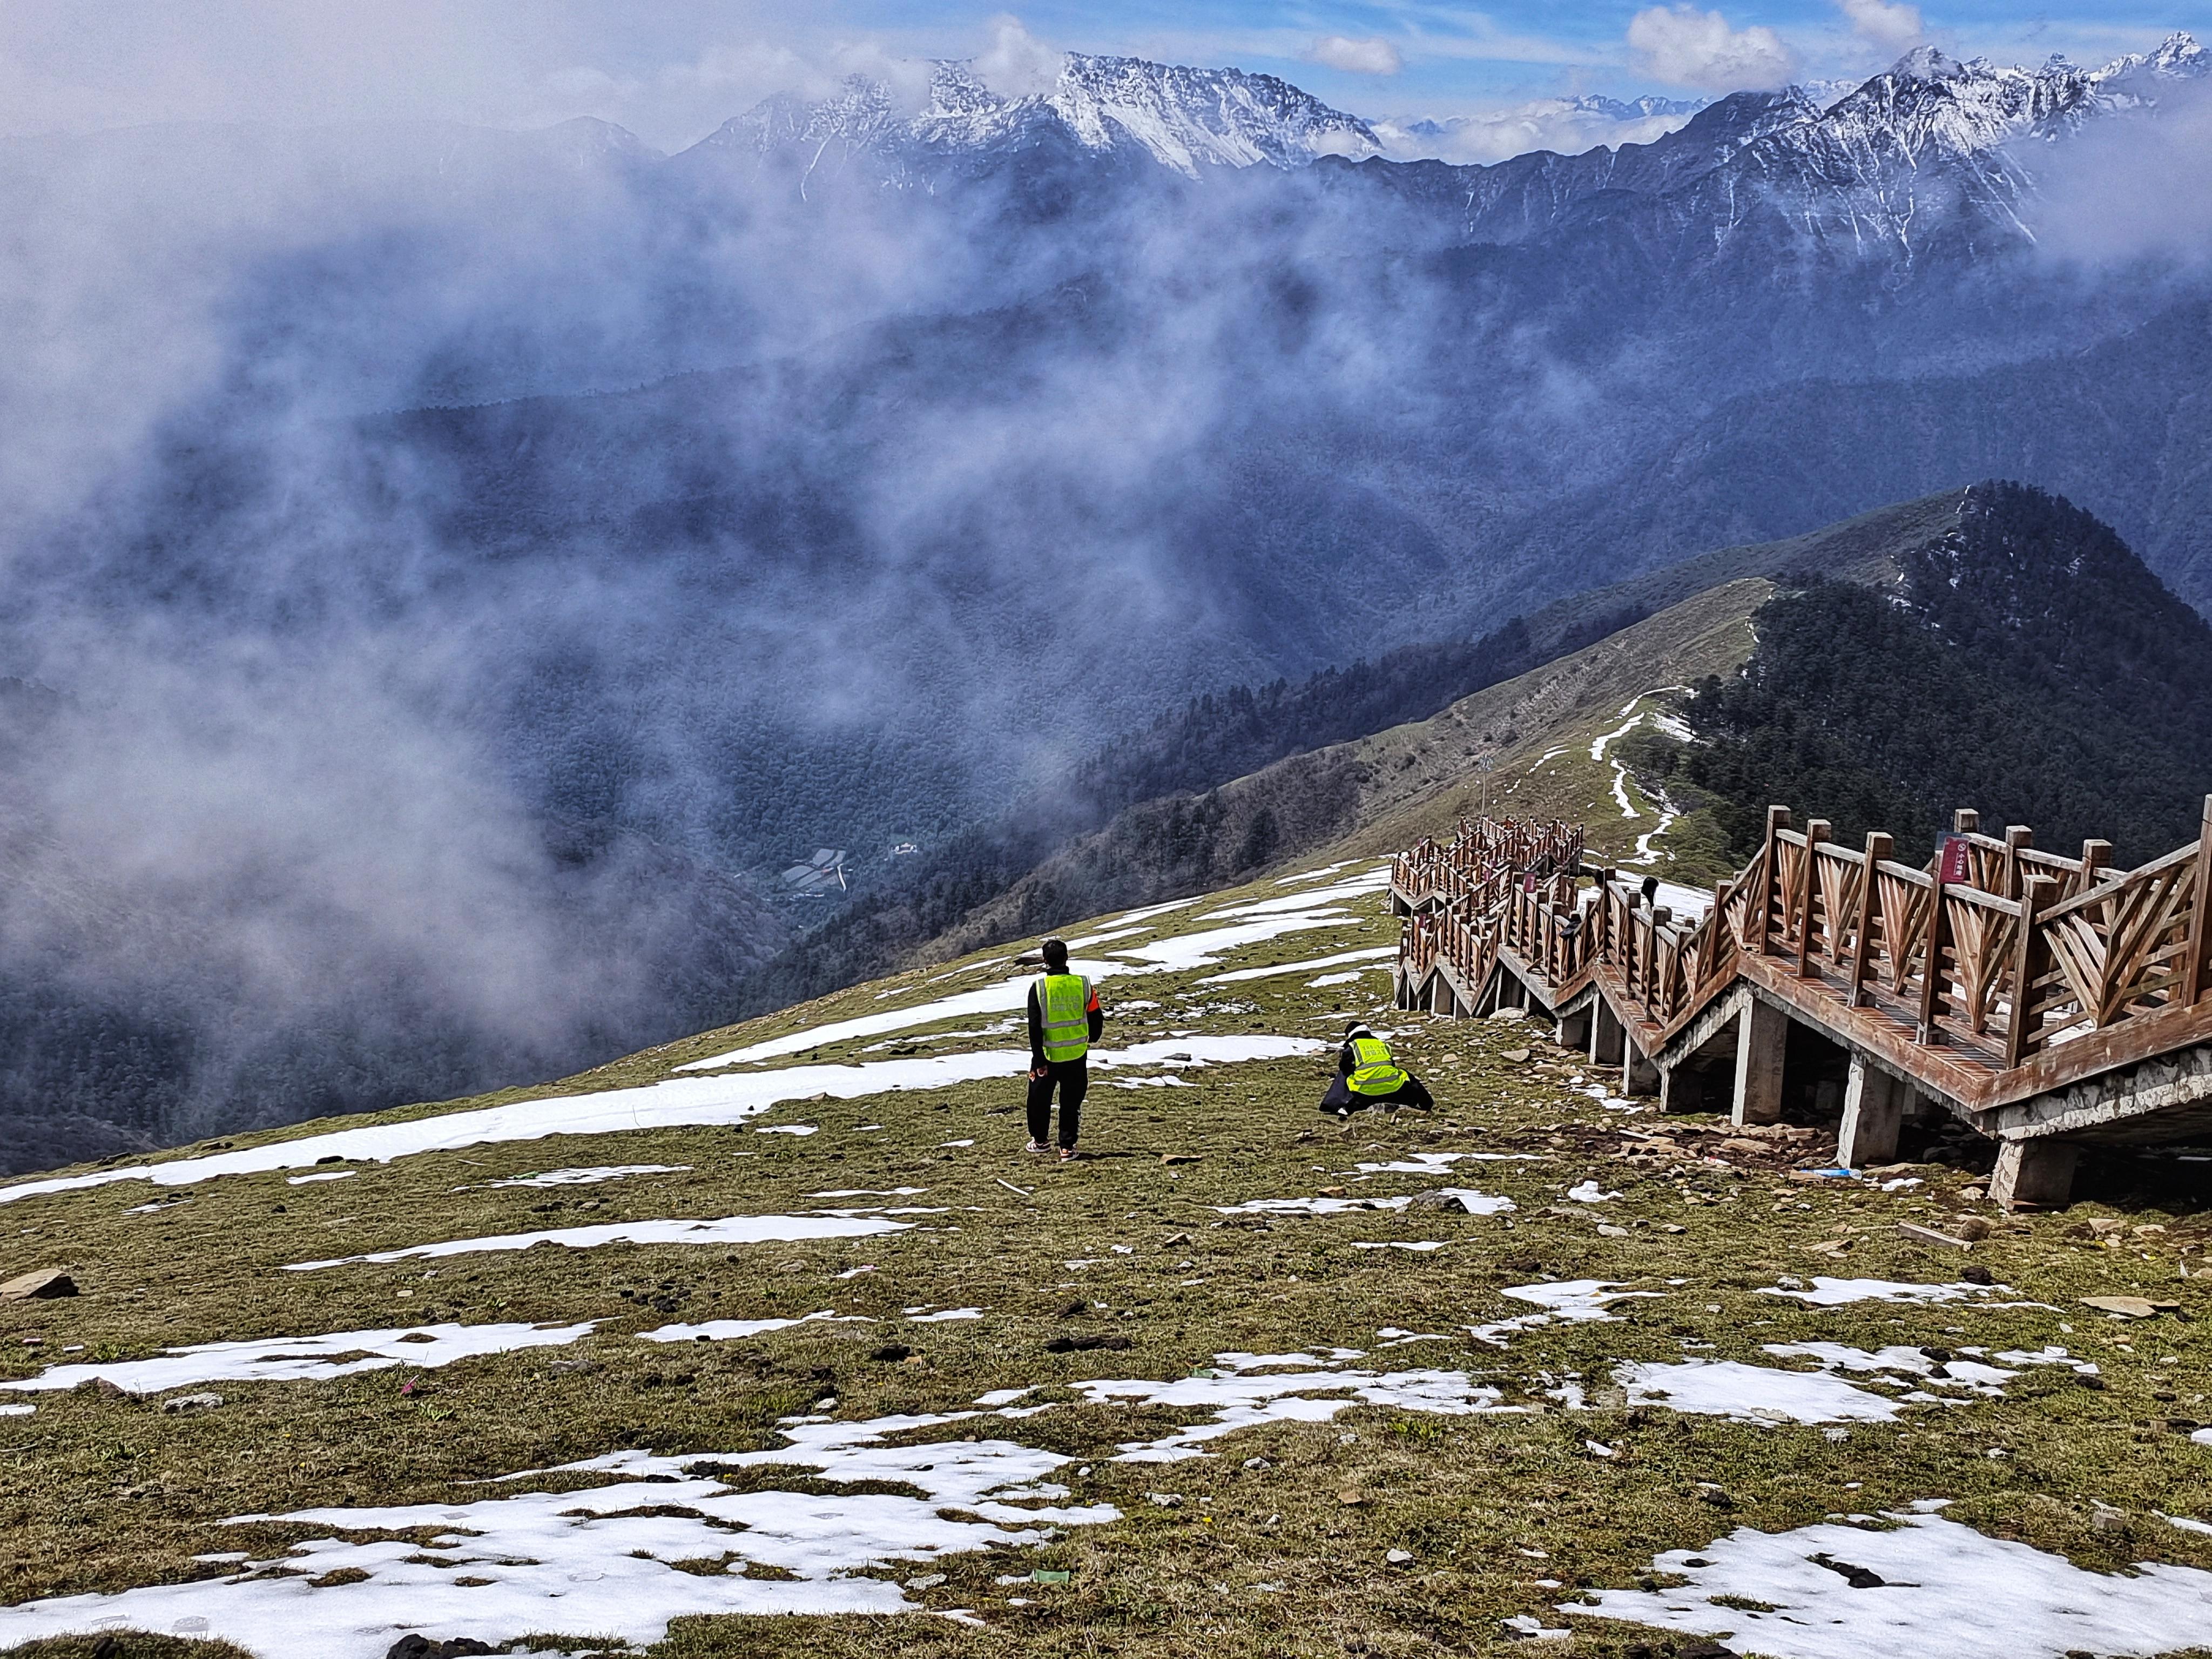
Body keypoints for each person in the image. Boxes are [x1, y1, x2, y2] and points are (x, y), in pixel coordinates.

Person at [1026, 937, 1102, 1160]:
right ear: (1067, 958)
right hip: (1077, 1054)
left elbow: (1034, 1026)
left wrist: (1038, 1060)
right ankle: (1067, 1148)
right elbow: (1096, 1015)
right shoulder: (1083, 985)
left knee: (1039, 1101)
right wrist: (1093, 1038)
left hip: (1048, 1057)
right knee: (1071, 1102)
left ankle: (1040, 1142)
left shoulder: (1039, 988)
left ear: (1044, 961)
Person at [1318, 1021, 1434, 1117]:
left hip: (1364, 1092)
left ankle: (1333, 1104)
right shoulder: (1381, 1045)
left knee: (1345, 1075)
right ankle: (1426, 1104)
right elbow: (1391, 1065)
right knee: (1404, 1074)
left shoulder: (1352, 1046)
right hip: (1393, 1090)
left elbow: (1345, 1068)